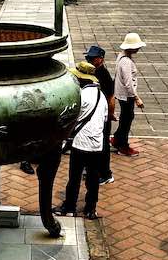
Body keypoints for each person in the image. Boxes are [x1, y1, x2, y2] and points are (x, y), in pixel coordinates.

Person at [54, 61, 107, 219]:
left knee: (74, 177)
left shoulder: (81, 95)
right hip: (97, 144)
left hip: (80, 142)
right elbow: (104, 119)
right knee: (93, 179)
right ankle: (90, 209)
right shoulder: (101, 96)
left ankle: (69, 207)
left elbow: (71, 118)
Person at [85, 45, 116, 185]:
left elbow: (111, 98)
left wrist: (109, 115)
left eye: (92, 58)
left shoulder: (104, 75)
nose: (89, 60)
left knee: (103, 145)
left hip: (102, 116)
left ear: (101, 60)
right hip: (93, 115)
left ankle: (105, 173)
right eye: (88, 57)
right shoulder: (91, 72)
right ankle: (94, 169)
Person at [112, 32, 145, 156]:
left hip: (123, 94)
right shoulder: (126, 62)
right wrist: (136, 97)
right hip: (126, 96)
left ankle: (117, 139)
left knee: (126, 118)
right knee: (127, 120)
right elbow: (128, 82)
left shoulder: (122, 57)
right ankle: (122, 145)